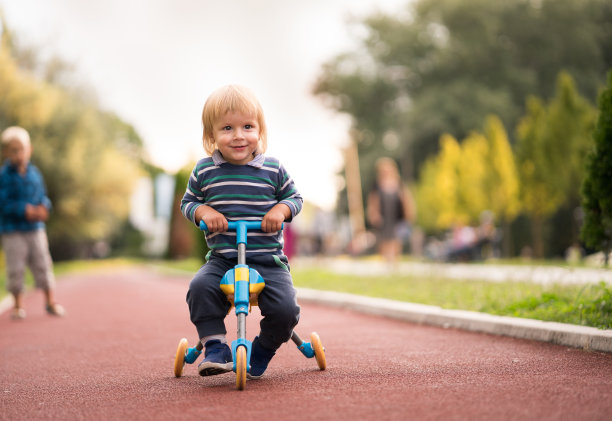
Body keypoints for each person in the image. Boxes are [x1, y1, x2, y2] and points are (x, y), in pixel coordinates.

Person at [181, 85, 303, 379]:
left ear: (260, 130)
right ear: (211, 135)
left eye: (247, 126)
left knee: (286, 310)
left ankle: (263, 349)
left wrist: (280, 211)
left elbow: (294, 199)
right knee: (199, 288)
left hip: (267, 260)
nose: (238, 135)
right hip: (223, 258)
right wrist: (204, 212)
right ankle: (215, 347)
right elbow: (189, 203)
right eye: (227, 128)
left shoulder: (273, 169)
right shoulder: (204, 171)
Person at [0, 126, 64, 320]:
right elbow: (3, 202)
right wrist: (24, 209)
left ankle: (50, 301)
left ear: (30, 149)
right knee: (15, 267)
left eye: (22, 149)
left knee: (43, 263)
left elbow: (43, 196)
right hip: (13, 231)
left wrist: (45, 207)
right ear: (6, 152)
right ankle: (18, 305)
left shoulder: (35, 173)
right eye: (14, 150)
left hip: (36, 229)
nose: (19, 154)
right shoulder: (3, 176)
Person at [366, 157, 415, 265]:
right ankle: (386, 261)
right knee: (384, 239)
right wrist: (373, 214)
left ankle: (394, 262)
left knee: (396, 238)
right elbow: (373, 200)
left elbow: (406, 199)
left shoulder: (399, 183)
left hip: (397, 215)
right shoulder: (377, 184)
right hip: (383, 217)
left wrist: (409, 213)